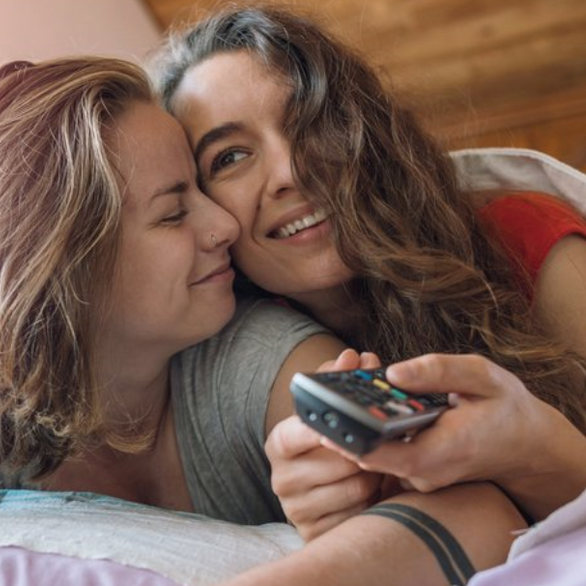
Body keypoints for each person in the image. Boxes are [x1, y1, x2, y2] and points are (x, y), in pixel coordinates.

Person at [0, 56, 524, 586]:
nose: (221, 226)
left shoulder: (257, 360)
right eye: (174, 211)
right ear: (68, 270)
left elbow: (479, 506)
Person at [150, 3, 586, 533]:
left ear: (367, 133)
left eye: (310, 123)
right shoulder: (245, 354)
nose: (292, 171)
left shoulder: (524, 240)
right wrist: (328, 516)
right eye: (230, 158)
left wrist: (536, 450)